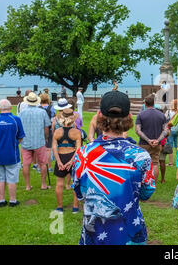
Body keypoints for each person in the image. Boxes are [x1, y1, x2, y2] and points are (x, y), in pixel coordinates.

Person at [72, 90, 155, 245]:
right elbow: (146, 193)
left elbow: (79, 193)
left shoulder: (82, 154)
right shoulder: (140, 156)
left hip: (94, 236)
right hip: (130, 233)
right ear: (129, 116)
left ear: (99, 115)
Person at [0, 99, 25, 207]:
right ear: (10, 107)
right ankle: (12, 201)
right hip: (11, 154)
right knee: (11, 179)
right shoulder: (16, 119)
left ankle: (1, 200)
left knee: (0, 179)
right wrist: (14, 143)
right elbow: (21, 137)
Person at [19, 92, 52, 191]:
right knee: (43, 163)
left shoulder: (22, 112)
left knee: (26, 164)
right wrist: (45, 137)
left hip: (26, 141)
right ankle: (43, 184)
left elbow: (19, 127)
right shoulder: (42, 112)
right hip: (39, 141)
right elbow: (46, 127)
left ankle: (28, 186)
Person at [52, 107, 81, 213]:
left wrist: (59, 162)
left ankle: (59, 207)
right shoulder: (76, 132)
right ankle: (75, 207)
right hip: (72, 157)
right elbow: (78, 150)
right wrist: (71, 161)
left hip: (61, 156)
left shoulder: (57, 132)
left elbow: (54, 148)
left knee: (59, 184)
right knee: (75, 183)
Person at [135, 94, 168, 181]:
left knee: (142, 163)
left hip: (143, 144)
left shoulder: (140, 115)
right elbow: (165, 130)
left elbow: (138, 131)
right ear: (154, 103)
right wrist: (158, 140)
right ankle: (153, 183)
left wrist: (148, 140)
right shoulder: (162, 115)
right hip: (157, 144)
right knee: (155, 163)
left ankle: (143, 182)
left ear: (145, 103)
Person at [164, 99, 178, 166]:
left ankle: (170, 163)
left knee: (170, 147)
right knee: (177, 147)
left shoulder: (168, 112)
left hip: (170, 130)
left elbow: (164, 119)